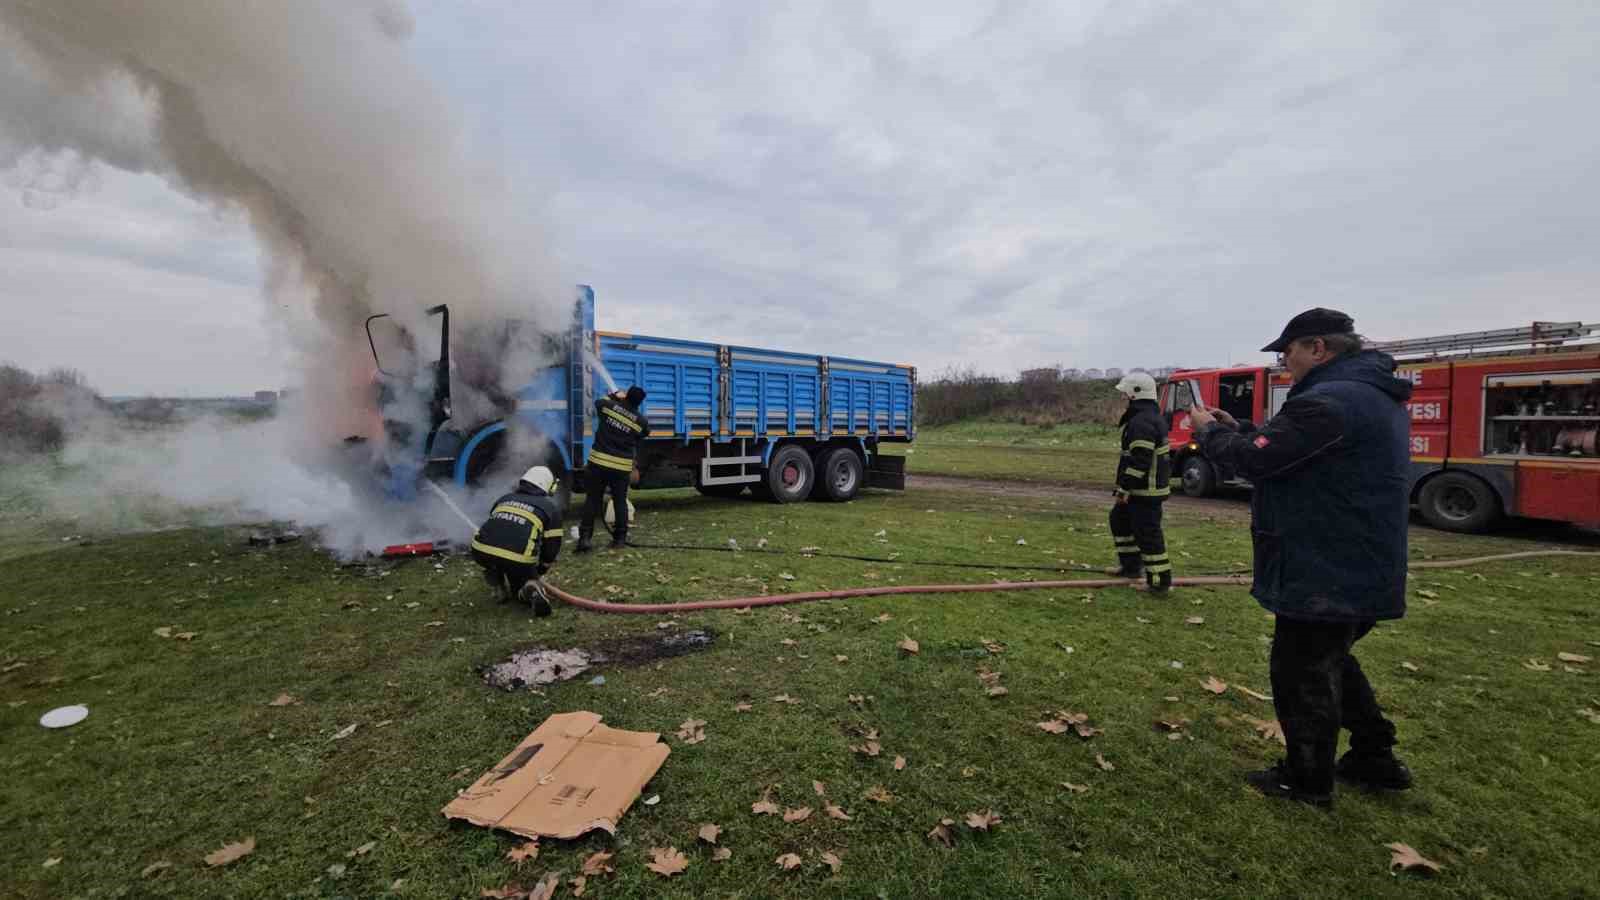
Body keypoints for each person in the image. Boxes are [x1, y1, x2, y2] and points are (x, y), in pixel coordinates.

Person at [1189, 308, 1413, 808]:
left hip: (1327, 565)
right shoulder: (1362, 395)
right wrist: (1243, 426)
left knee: (1301, 669)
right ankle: (1375, 756)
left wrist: (1210, 434)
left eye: (1287, 351)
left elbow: (1257, 460)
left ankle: (1306, 778)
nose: (1283, 362)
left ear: (1318, 347)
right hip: (1354, 560)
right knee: (1330, 657)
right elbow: (1292, 449)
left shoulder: (1330, 401)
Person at [1107, 372, 1173, 593]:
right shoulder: (1145, 417)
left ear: (1135, 394)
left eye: (1125, 394)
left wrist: (1125, 488)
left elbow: (1140, 461)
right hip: (1141, 489)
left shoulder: (1142, 422)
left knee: (1148, 534)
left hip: (1145, 491)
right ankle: (1131, 568)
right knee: (1119, 520)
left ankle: (1159, 582)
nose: (1123, 398)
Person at [470, 466, 563, 617]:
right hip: (518, 559)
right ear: (547, 486)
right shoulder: (550, 508)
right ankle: (529, 590)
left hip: (480, 551)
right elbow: (552, 548)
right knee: (521, 580)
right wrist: (539, 570)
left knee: (497, 557)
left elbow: (496, 528)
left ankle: (497, 581)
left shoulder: (504, 499)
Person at [577, 385, 650, 552]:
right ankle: (619, 540)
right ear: (639, 402)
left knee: (592, 500)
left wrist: (614, 397)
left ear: (626, 396)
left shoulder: (608, 407)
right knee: (619, 502)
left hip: (598, 464)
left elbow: (598, 402)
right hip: (620, 468)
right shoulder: (640, 421)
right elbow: (645, 433)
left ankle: (585, 539)